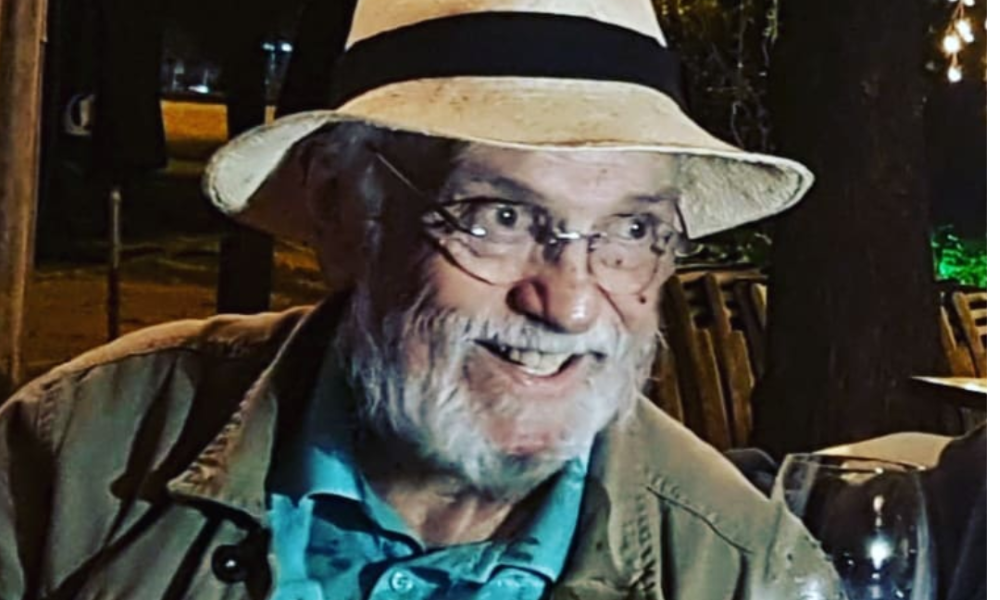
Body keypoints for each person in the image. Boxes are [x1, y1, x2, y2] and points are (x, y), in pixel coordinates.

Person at [0, 1, 845, 598]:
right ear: (341, 208)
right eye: (501, 217)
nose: (571, 304)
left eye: (631, 230)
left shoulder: (747, 569)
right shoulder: (73, 454)